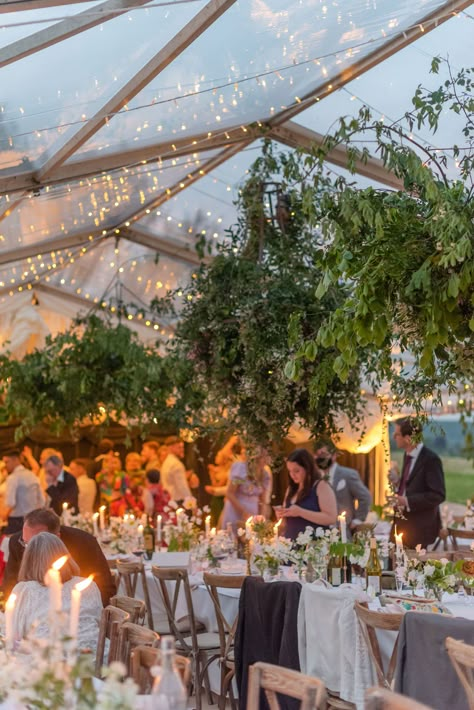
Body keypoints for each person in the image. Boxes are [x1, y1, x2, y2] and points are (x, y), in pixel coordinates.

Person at [9, 532, 102, 652]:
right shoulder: (88, 585)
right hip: (96, 658)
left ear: (29, 559)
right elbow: (99, 622)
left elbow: (16, 632)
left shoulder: (24, 590)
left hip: (49, 662)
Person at [3, 508, 115, 606]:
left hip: (75, 612)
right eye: (27, 543)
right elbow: (10, 585)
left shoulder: (84, 543)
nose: (30, 549)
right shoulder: (17, 542)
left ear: (57, 537)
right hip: (32, 615)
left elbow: (105, 589)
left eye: (37, 543)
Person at [390, 417, 445, 549]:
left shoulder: (431, 460)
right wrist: (398, 482)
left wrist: (406, 501)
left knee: (414, 569)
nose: (394, 437)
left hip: (419, 530)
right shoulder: (407, 455)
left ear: (408, 438)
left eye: (396, 434)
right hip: (401, 525)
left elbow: (438, 495)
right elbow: (413, 487)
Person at [314, 443, 372, 539]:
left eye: (323, 454)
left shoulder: (348, 475)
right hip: (320, 532)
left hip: (342, 530)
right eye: (318, 455)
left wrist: (357, 520)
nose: (320, 458)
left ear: (334, 455)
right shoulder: (314, 477)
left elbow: (365, 496)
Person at [278, 448, 338, 540]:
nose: (292, 475)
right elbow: (285, 520)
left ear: (307, 468)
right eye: (289, 471)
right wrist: (282, 514)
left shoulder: (321, 486)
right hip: (290, 544)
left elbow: (331, 518)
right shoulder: (291, 489)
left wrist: (300, 512)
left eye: (296, 471)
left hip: (313, 545)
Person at [220, 446, 272, 532]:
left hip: (253, 512)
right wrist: (244, 513)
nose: (266, 460)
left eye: (267, 456)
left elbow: (263, 500)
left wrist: (261, 519)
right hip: (235, 510)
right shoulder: (240, 468)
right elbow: (229, 493)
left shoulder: (265, 475)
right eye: (263, 457)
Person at [2, 449, 44, 534]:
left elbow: (10, 502)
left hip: (16, 521)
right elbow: (42, 501)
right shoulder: (32, 475)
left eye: (7, 462)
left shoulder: (13, 478)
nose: (5, 465)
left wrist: (4, 516)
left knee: (9, 545)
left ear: (15, 460)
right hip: (33, 519)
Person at [205, 435, 243, 525]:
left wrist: (216, 491)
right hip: (229, 500)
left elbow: (240, 485)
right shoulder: (233, 466)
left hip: (238, 502)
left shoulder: (238, 463)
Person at [160, 436, 192, 502]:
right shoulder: (176, 464)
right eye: (179, 447)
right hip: (177, 501)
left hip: (167, 501)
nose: (182, 450)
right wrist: (191, 502)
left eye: (182, 447)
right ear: (170, 448)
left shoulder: (166, 462)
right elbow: (182, 486)